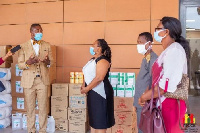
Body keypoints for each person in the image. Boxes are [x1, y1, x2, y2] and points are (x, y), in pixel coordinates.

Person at [138, 17, 190, 133]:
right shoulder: (168, 51)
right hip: (163, 105)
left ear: (166, 32)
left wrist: (144, 97)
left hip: (170, 107)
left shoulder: (175, 51)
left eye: (158, 28)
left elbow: (165, 87)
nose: (155, 32)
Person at [18, 24, 54, 133]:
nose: (40, 32)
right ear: (31, 32)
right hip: (29, 81)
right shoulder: (23, 46)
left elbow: (51, 62)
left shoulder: (47, 45)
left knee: (43, 108)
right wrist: (28, 62)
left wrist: (47, 62)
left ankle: (43, 130)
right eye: (37, 30)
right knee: (30, 108)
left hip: (42, 80)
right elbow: (20, 65)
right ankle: (31, 130)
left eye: (41, 30)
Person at [81, 39, 115, 133]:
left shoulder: (103, 60)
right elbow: (87, 74)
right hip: (92, 92)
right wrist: (84, 85)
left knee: (100, 123)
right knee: (95, 122)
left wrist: (87, 88)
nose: (91, 47)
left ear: (99, 48)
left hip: (101, 93)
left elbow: (99, 78)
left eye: (93, 45)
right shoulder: (92, 59)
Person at [134, 32, 158, 133]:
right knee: (141, 127)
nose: (138, 45)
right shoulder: (146, 58)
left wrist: (145, 98)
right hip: (141, 100)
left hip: (145, 102)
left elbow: (153, 81)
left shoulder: (153, 59)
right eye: (137, 42)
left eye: (141, 42)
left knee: (144, 129)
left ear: (148, 43)